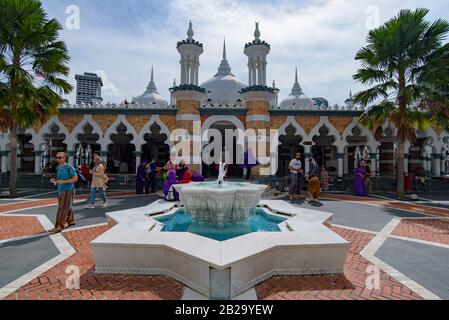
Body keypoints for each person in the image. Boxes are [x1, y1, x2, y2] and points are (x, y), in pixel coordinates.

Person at [49, 152, 78, 233]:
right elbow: (58, 178)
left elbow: (75, 179)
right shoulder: (58, 167)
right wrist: (54, 180)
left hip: (68, 189)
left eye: (60, 157)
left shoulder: (69, 167)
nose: (57, 159)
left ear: (65, 158)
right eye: (57, 157)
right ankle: (70, 221)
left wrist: (63, 182)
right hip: (60, 190)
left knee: (62, 208)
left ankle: (59, 226)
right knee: (66, 206)